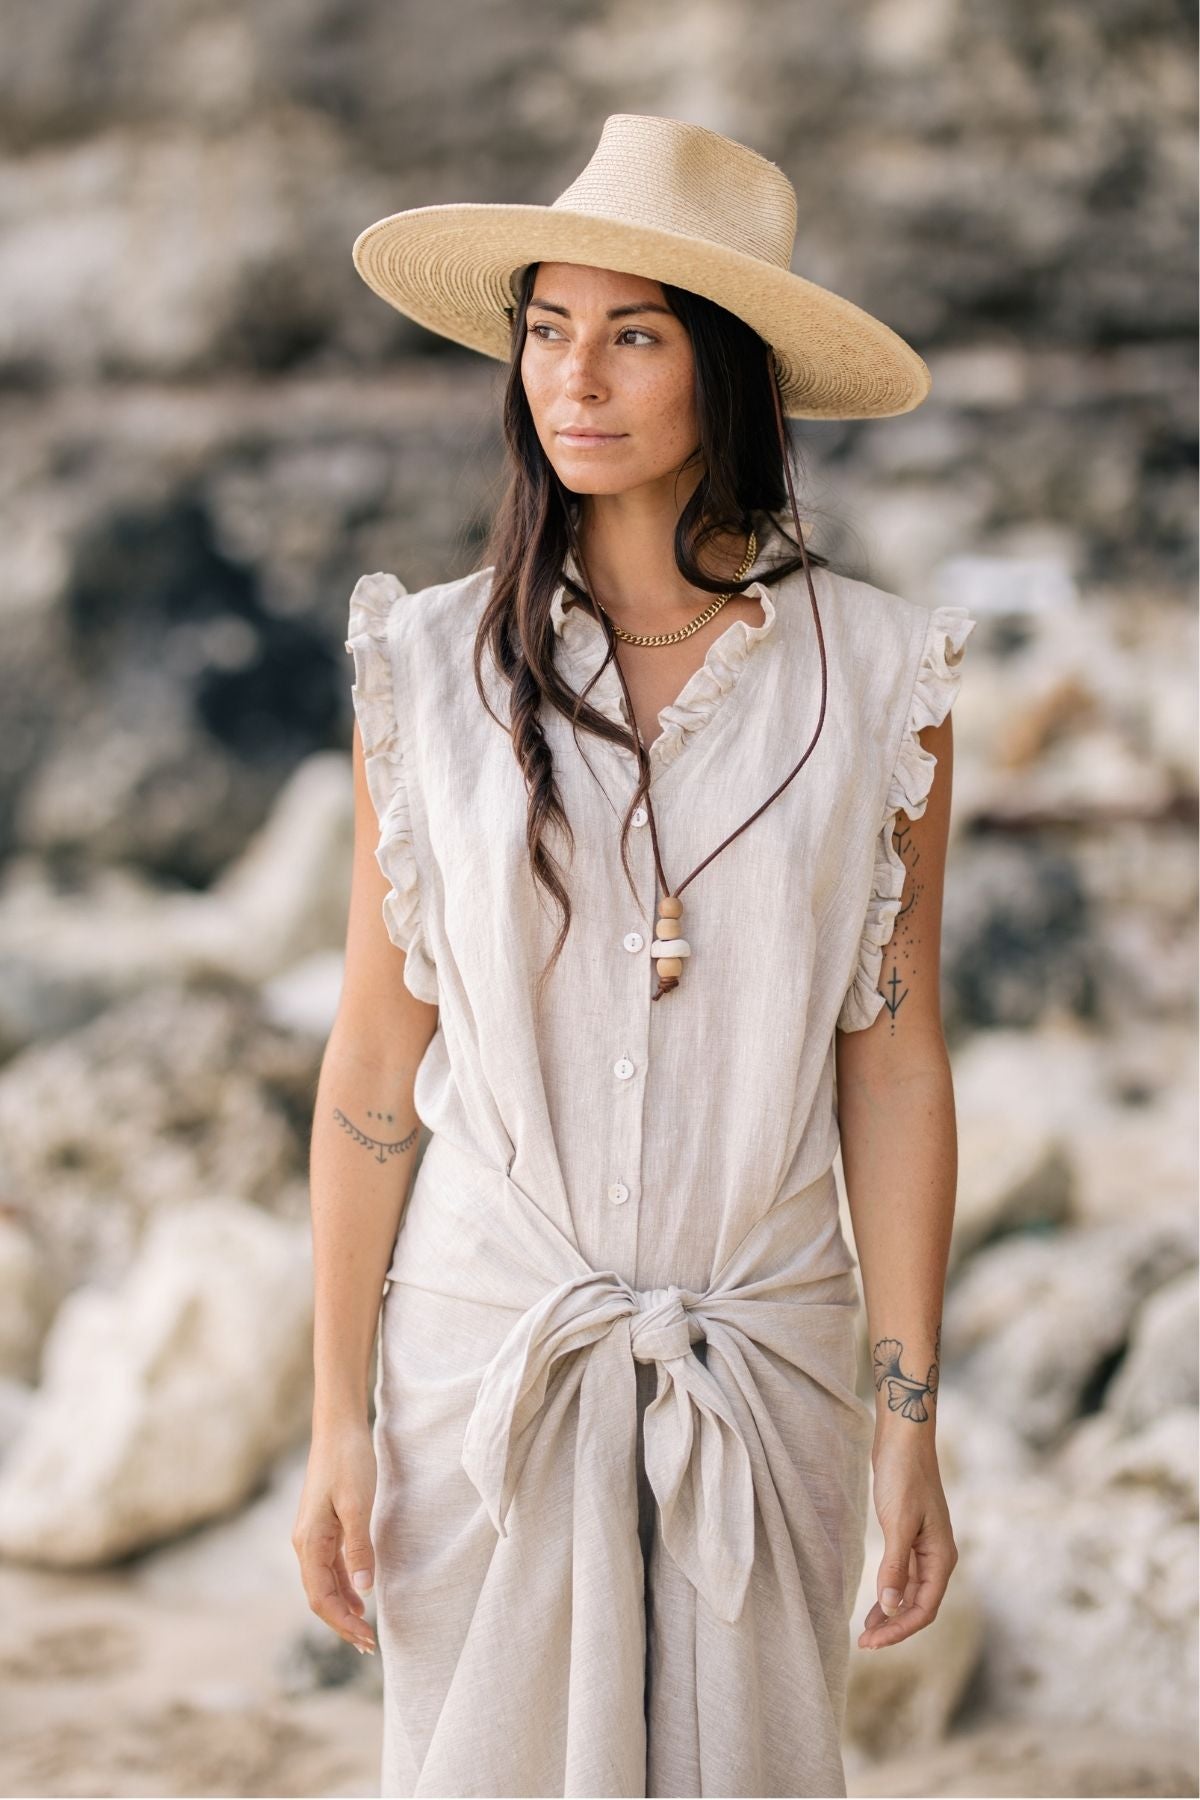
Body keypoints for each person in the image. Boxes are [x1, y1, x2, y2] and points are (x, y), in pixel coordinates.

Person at [293, 113, 976, 1798]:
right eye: (545, 329)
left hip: (767, 1356)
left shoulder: (881, 679)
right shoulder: (429, 667)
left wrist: (910, 1420)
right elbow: (379, 1065)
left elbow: (890, 1058)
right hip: (482, 1368)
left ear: (728, 373)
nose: (572, 379)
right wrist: (333, 1419)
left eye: (635, 334)